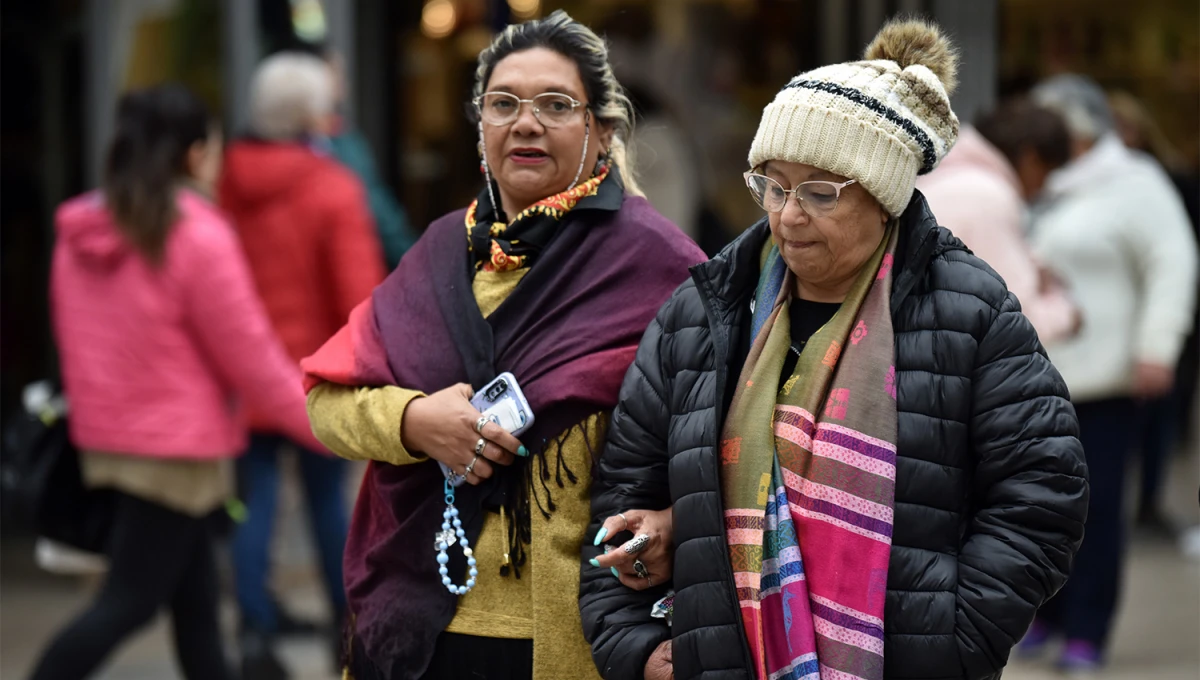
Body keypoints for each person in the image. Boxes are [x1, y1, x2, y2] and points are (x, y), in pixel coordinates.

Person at [582, 19, 1090, 680]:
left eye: (820, 193)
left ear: (884, 198)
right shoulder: (705, 311)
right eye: (773, 185)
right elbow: (621, 490)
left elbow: (1044, 492)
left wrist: (953, 639)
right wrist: (638, 649)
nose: (788, 215)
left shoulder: (968, 310)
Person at [301, 11, 704, 680]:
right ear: (481, 126)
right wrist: (413, 422)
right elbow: (325, 399)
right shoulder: (438, 256)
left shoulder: (657, 268)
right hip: (417, 631)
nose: (525, 122)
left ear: (600, 131)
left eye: (555, 105)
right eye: (503, 104)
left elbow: (728, 438)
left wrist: (672, 525)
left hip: (571, 639)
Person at [30, 84, 324, 680]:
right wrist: (331, 426)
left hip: (115, 440)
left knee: (194, 611)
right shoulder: (196, 233)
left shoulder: (83, 228)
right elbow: (252, 357)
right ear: (195, 154)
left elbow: (73, 337)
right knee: (128, 603)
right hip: (176, 450)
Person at [1019, 74, 1198, 671]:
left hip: (1104, 382)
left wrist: (1158, 347)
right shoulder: (1039, 185)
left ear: (1082, 131)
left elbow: (1173, 263)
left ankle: (1088, 629)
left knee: (1093, 513)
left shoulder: (1136, 183)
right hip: (1035, 378)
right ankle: (1046, 615)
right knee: (1035, 506)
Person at [219, 51, 387, 680]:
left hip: (246, 374)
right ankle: (347, 631)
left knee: (255, 501)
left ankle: (254, 630)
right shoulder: (331, 187)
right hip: (317, 378)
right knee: (329, 508)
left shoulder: (226, 180)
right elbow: (359, 295)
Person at [1109, 89, 1200, 532]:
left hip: (1162, 315)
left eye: (1124, 128)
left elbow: (1177, 258)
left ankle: (1149, 502)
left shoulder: (1163, 181)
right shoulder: (1088, 185)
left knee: (1159, 413)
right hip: (1114, 324)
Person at [917, 99, 1078, 344]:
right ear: (1030, 157)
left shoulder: (942, 175)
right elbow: (1015, 321)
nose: (1043, 188)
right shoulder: (986, 195)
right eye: (1047, 173)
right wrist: (1066, 312)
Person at [323, 48, 421, 269]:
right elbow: (376, 207)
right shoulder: (338, 143)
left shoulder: (340, 136)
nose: (343, 84)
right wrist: (415, 260)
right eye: (336, 75)